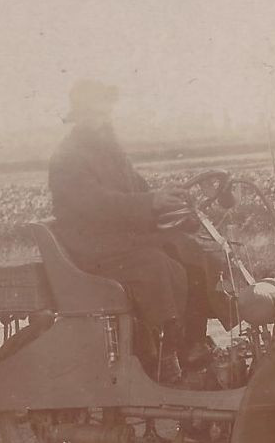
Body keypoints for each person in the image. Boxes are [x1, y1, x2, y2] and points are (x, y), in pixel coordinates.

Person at [46, 79, 214, 382]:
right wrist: (151, 201)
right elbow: (97, 204)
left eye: (107, 114)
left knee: (193, 251)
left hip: (116, 238)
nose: (104, 121)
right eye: (97, 115)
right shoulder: (68, 157)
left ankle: (194, 342)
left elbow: (135, 186)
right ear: (79, 116)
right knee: (155, 265)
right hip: (90, 246)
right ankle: (165, 354)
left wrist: (166, 195)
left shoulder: (110, 151)